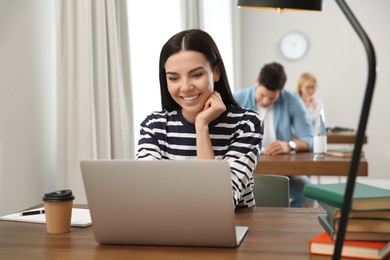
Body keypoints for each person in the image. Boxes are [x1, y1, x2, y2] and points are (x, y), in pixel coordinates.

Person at [136, 29, 263, 208]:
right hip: (168, 228)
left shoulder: (247, 124)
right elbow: (145, 195)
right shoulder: (154, 126)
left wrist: (201, 126)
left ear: (216, 72)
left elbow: (218, 203)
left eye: (196, 75)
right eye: (174, 78)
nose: (186, 87)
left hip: (234, 229)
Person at [234, 62, 314, 208]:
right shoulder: (237, 99)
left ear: (280, 92)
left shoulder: (291, 100)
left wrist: (289, 145)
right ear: (256, 81)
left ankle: (288, 227)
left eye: (272, 98)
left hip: (283, 171)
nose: (266, 101)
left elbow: (310, 139)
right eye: (262, 95)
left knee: (310, 194)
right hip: (243, 170)